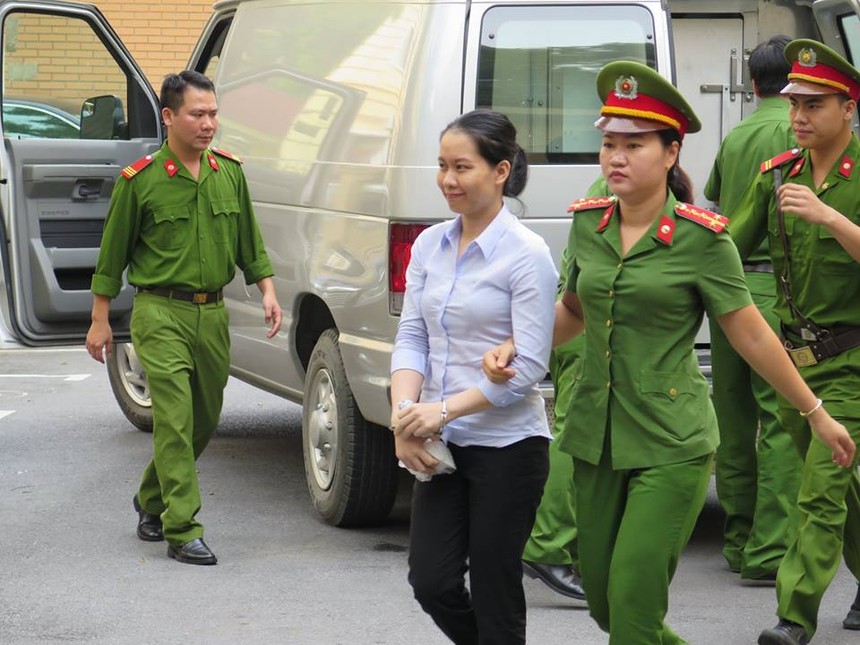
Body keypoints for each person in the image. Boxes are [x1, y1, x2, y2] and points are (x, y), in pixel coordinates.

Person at [484, 60, 854, 644]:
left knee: (632, 613)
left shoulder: (701, 239)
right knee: (607, 607)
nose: (617, 157)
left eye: (634, 145)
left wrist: (815, 411)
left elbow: (751, 333)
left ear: (671, 153)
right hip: (596, 438)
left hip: (671, 441)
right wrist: (517, 343)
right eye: (610, 143)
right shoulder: (589, 227)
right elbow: (574, 310)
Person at [86, 70, 282, 566]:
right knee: (174, 419)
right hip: (159, 312)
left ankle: (150, 499)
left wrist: (267, 291)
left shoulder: (228, 173)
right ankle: (182, 528)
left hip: (211, 313)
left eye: (213, 113)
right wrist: (100, 318)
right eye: (198, 114)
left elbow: (250, 242)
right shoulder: (141, 181)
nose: (208, 123)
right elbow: (112, 255)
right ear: (170, 117)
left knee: (203, 419)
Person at [390, 109, 557, 644]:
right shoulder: (428, 245)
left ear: (501, 171)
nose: (448, 179)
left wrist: (440, 411)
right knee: (431, 582)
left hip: (508, 447)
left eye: (462, 167)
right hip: (440, 445)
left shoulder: (527, 254)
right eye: (442, 166)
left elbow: (528, 366)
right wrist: (404, 418)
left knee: (494, 589)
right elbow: (412, 336)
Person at [724, 39, 860, 645]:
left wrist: (829, 217)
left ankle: (794, 617)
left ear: (848, 108)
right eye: (794, 103)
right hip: (794, 363)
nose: (799, 116)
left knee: (821, 492)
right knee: (843, 484)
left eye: (814, 104)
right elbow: (726, 247)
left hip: (852, 360)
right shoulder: (778, 174)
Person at [704, 34, 803, 583]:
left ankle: (739, 540)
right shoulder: (799, 131)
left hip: (728, 290)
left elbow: (716, 203)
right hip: (777, 292)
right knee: (784, 419)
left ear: (752, 83)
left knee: (734, 417)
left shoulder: (736, 135)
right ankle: (770, 551)